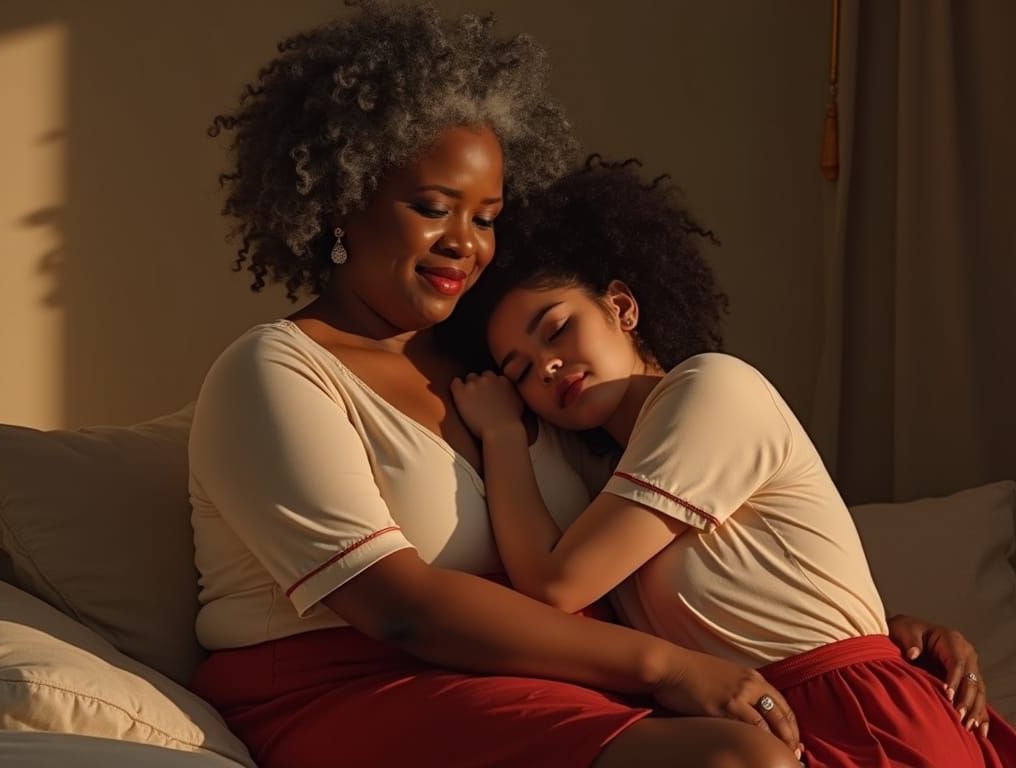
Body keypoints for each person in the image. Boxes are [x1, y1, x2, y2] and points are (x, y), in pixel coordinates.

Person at [188, 3, 990, 766]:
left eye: (486, 217)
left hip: (545, 679)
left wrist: (872, 637)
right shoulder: (277, 371)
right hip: (354, 686)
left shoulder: (504, 381)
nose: (464, 243)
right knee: (742, 758)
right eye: (433, 207)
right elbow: (398, 609)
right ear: (343, 201)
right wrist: (669, 669)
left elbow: (681, 551)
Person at [448, 157, 1016, 767]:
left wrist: (502, 435)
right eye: (521, 370)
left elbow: (556, 585)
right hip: (766, 726)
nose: (548, 366)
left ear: (622, 307)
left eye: (557, 329)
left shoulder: (710, 389)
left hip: (860, 718)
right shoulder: (605, 480)